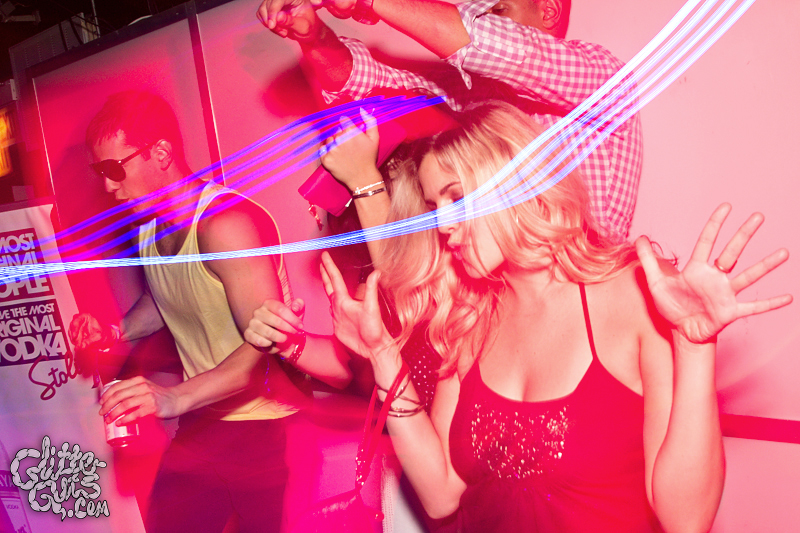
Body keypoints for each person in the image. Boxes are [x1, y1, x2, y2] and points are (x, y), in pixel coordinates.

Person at [314, 101, 792, 532]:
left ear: (517, 186)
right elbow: (440, 494)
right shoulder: (469, 314)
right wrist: (383, 355)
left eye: (456, 199)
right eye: (434, 206)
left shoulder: (635, 294)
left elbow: (686, 521)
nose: (442, 223)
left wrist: (694, 346)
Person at [68, 91, 351, 532]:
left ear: (161, 153)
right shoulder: (149, 226)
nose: (107, 186)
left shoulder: (225, 226)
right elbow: (166, 298)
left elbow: (261, 351)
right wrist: (115, 332)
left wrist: (173, 397)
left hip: (267, 428)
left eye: (114, 169)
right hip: (206, 421)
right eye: (99, 171)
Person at [257, 0, 642, 241]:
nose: (483, 23)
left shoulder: (603, 78)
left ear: (549, 10)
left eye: (498, 12)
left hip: (590, 308)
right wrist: (314, 38)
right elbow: (368, 82)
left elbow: (505, 49)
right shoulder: (477, 96)